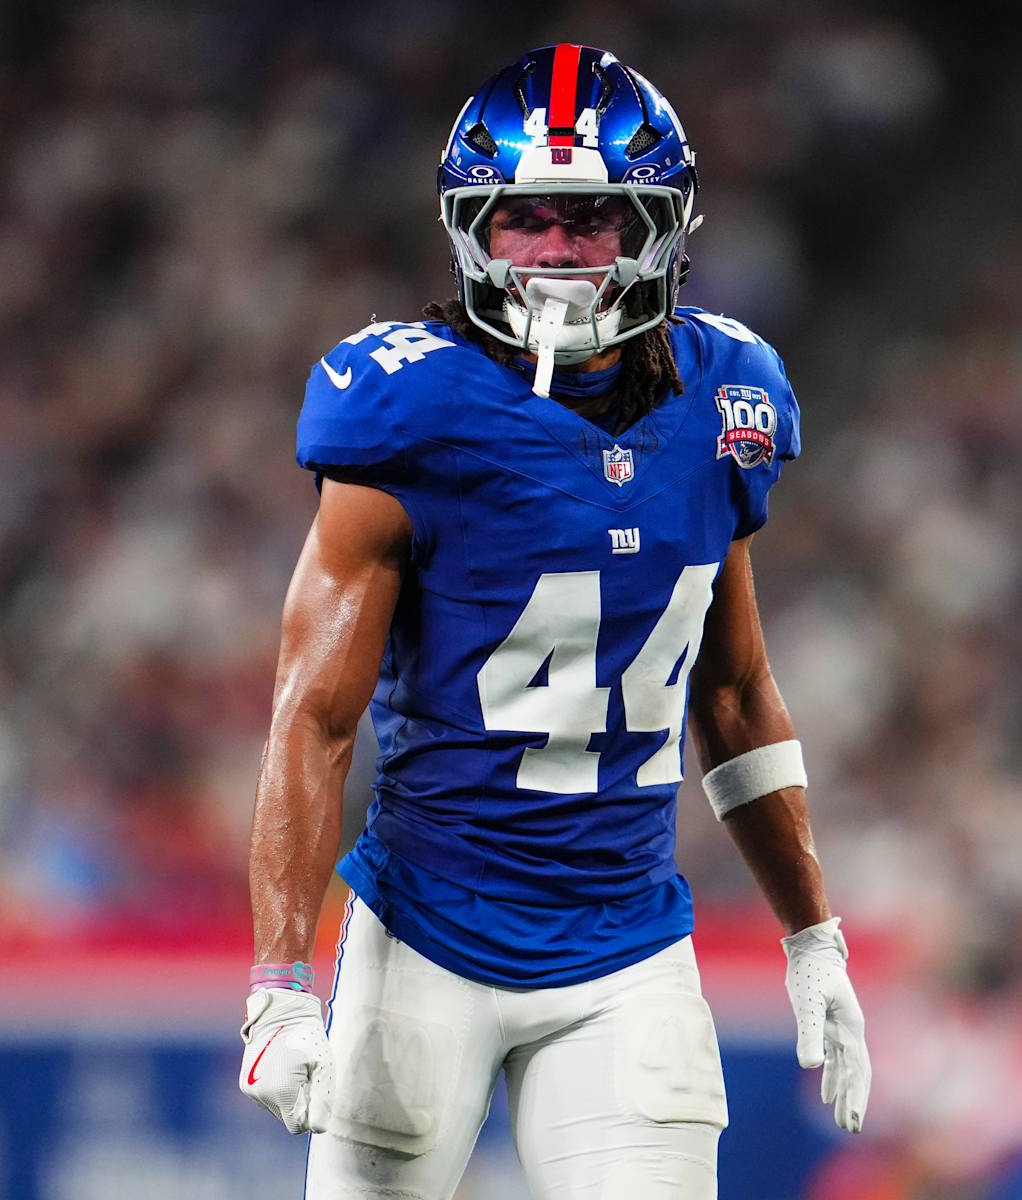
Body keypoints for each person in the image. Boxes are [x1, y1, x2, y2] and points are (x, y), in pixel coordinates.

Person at [238, 44, 871, 1198]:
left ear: (660, 230)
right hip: (427, 937)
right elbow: (313, 716)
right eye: (523, 218)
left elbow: (732, 693)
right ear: (470, 229)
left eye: (592, 219)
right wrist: (279, 983)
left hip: (626, 949)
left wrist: (812, 934)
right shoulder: (409, 408)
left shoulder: (726, 399)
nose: (556, 254)